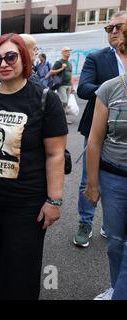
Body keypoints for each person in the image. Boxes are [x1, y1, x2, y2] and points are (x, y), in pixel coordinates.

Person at [0, 33, 68, 300]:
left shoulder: (44, 98)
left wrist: (55, 201)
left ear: (24, 59)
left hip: (27, 200)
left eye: (11, 57)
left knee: (22, 264)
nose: (3, 63)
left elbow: (55, 155)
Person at [74, 10, 127, 248]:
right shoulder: (97, 57)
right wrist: (112, 91)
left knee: (118, 179)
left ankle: (111, 224)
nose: (113, 31)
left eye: (118, 27)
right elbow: (83, 88)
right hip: (98, 128)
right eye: (109, 28)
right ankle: (85, 222)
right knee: (90, 178)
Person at [84, 35, 127, 300]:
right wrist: (92, 184)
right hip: (114, 178)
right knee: (115, 243)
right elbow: (94, 141)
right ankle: (116, 287)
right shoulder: (110, 89)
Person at [50, 47, 73, 113]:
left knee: (66, 103)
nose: (68, 53)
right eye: (66, 51)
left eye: (69, 51)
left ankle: (64, 119)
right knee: (63, 101)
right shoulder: (59, 62)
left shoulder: (69, 63)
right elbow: (51, 72)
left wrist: (72, 86)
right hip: (61, 85)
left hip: (68, 85)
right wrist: (62, 68)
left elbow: (71, 74)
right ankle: (58, 116)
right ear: (62, 53)